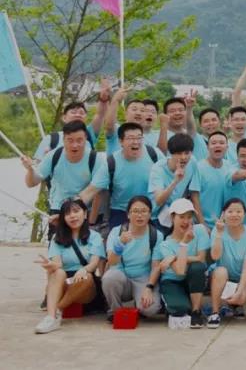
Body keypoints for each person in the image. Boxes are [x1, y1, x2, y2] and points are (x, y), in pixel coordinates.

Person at [33, 198, 104, 334]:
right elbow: (58, 264)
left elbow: (94, 264)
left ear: (85, 214)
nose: (72, 216)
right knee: (57, 272)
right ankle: (51, 318)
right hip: (66, 282)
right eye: (67, 213)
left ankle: (56, 310)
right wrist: (51, 265)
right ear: (63, 218)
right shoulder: (57, 238)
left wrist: (83, 270)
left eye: (76, 211)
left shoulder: (94, 237)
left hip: (85, 285)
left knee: (86, 277)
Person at [23, 121, 105, 220]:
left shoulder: (96, 159)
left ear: (86, 139)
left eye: (79, 140)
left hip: (85, 210)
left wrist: (91, 221)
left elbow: (97, 190)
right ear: (63, 140)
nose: (75, 145)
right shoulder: (54, 156)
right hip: (59, 209)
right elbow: (31, 183)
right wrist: (30, 170)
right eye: (70, 140)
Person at [102, 196, 162, 321]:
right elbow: (111, 261)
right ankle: (115, 312)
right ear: (128, 214)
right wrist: (120, 244)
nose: (139, 215)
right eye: (135, 211)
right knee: (109, 277)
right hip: (122, 277)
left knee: (150, 309)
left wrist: (149, 288)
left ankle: (138, 305)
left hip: (143, 279)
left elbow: (156, 266)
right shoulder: (117, 232)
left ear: (150, 214)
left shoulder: (156, 235)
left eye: (144, 211)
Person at [153, 197, 210, 328]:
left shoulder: (200, 230)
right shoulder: (165, 244)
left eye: (189, 217)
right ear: (173, 218)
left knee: (197, 267)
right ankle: (177, 304)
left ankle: (196, 311)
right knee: (180, 309)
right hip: (173, 280)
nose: (186, 221)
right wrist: (184, 243)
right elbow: (179, 271)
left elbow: (201, 259)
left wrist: (174, 257)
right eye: (181, 217)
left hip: (192, 278)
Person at [92, 122, 159, 229]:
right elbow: (91, 190)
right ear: (121, 141)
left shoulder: (154, 154)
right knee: (118, 237)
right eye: (130, 138)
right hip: (121, 210)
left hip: (150, 209)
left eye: (139, 138)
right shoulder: (111, 162)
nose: (135, 142)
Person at [208, 198, 246, 326]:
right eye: (230, 211)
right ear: (223, 214)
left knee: (240, 298)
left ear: (244, 214)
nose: (234, 215)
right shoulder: (217, 230)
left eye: (238, 211)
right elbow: (215, 256)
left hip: (242, 276)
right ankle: (215, 312)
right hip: (222, 276)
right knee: (220, 271)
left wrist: (239, 292)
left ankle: (232, 304)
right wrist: (219, 234)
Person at [148, 133, 204, 231]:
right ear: (171, 153)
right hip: (156, 217)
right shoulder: (158, 169)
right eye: (179, 153)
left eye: (187, 153)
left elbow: (194, 194)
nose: (183, 157)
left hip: (179, 213)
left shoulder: (192, 162)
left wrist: (202, 224)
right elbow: (159, 200)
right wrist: (175, 181)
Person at [196, 131, 234, 227]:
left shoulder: (230, 166)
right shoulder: (199, 168)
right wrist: (202, 224)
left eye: (221, 143)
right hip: (205, 224)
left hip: (226, 225)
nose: (218, 145)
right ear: (207, 147)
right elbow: (194, 197)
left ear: (227, 147)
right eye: (213, 143)